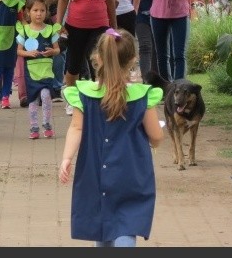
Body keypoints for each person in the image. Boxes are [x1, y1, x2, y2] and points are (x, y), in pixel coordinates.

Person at [58, 28, 164, 247]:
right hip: (133, 173)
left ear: (98, 58)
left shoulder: (85, 94)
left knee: (102, 226)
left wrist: (67, 158)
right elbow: (155, 135)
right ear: (133, 60)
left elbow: (76, 129)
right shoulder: (142, 95)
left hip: (95, 170)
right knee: (127, 225)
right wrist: (154, 141)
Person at [56, 0, 117, 114]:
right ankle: (71, 99)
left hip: (100, 24)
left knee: (98, 61)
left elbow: (110, 1)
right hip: (76, 24)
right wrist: (59, 23)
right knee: (73, 64)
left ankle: (99, 97)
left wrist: (113, 26)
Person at [9, 0, 56, 104]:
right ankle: (24, 93)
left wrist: (43, 8)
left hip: (45, 18)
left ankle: (45, 89)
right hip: (23, 20)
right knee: (23, 55)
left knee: (44, 54)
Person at [17, 0, 61, 139]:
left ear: (47, 12)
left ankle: (47, 124)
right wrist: (28, 53)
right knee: (33, 100)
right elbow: (19, 52)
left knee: (46, 95)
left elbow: (57, 49)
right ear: (28, 12)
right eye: (35, 10)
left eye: (42, 10)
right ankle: (34, 127)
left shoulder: (50, 29)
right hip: (32, 72)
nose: (39, 14)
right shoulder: (24, 30)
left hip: (47, 71)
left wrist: (52, 52)